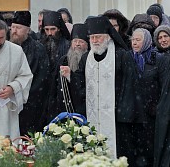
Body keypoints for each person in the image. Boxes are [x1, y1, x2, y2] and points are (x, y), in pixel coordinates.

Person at [73, 16, 136, 159]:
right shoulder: (86, 59)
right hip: (93, 114)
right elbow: (81, 85)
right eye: (92, 37)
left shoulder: (121, 56)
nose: (94, 41)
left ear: (108, 37)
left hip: (117, 118)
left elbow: (129, 85)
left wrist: (122, 110)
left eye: (98, 37)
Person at [129, 28, 169, 167]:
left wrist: (157, 108)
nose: (134, 43)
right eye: (133, 40)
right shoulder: (129, 59)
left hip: (152, 115)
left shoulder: (158, 59)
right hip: (134, 115)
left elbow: (164, 87)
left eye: (138, 40)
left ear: (146, 41)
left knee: (151, 151)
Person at [10, 11, 49, 135]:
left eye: (19, 28)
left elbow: (40, 80)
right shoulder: (7, 47)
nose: (14, 31)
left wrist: (21, 94)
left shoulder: (38, 49)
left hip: (31, 105)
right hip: (8, 102)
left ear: (28, 30)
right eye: (13, 27)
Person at [48, 23, 89, 120]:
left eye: (81, 42)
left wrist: (71, 76)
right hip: (63, 110)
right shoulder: (63, 60)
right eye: (75, 41)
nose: (77, 44)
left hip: (82, 109)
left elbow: (85, 85)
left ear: (87, 44)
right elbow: (54, 86)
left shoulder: (89, 61)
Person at [40, 10, 70, 76]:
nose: (49, 33)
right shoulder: (40, 45)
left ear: (59, 29)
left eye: (53, 29)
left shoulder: (67, 45)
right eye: (47, 29)